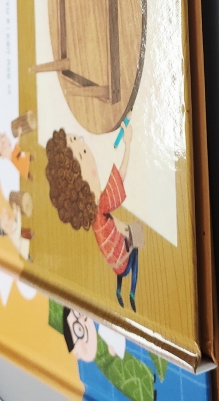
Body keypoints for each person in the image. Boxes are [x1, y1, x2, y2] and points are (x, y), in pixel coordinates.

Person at [44, 125, 140, 311]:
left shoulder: (95, 217)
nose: (84, 143)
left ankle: (119, 289)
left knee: (129, 240)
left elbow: (114, 227)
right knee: (135, 248)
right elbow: (120, 176)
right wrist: (127, 144)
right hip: (122, 262)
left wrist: (124, 229)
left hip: (115, 264)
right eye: (83, 151)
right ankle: (132, 291)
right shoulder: (102, 206)